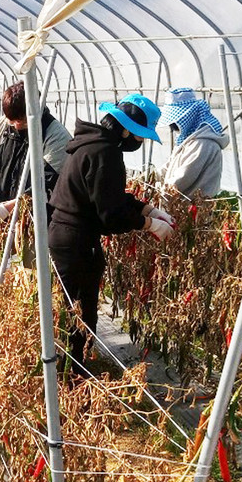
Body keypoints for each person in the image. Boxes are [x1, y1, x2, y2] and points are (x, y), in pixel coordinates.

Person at [48, 94, 175, 369]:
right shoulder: (106, 154)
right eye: (141, 136)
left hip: (65, 233)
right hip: (77, 239)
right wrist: (150, 225)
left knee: (71, 305)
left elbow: (106, 197)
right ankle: (70, 373)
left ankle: (67, 368)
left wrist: (147, 209)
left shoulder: (91, 144)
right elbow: (110, 215)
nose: (140, 142)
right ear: (126, 130)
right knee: (81, 311)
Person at [0, 81, 70, 227]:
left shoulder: (55, 136)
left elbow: (45, 185)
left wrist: (7, 209)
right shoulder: (1, 125)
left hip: (31, 224)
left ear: (32, 112)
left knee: (23, 249)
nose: (13, 125)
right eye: (10, 120)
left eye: (18, 121)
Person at [160, 87, 228, 198]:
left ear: (188, 116)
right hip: (180, 207)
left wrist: (158, 192)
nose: (172, 126)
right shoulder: (188, 140)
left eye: (176, 120)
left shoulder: (202, 144)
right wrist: (148, 178)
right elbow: (169, 166)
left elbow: (183, 178)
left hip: (191, 210)